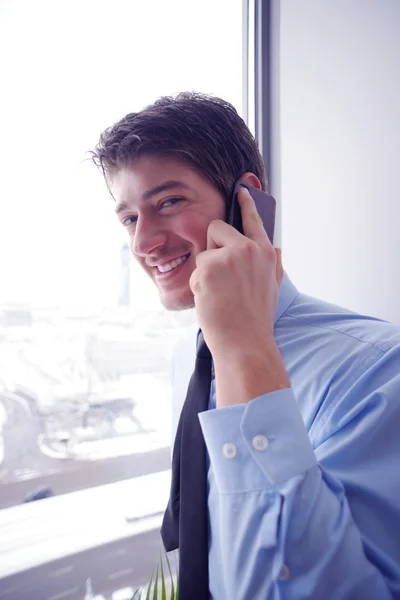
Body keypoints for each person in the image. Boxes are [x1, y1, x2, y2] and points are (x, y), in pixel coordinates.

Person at [91, 92, 400, 600]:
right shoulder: (187, 362)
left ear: (246, 201)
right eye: (129, 219)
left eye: (168, 202)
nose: (144, 243)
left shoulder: (379, 372)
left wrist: (243, 351)